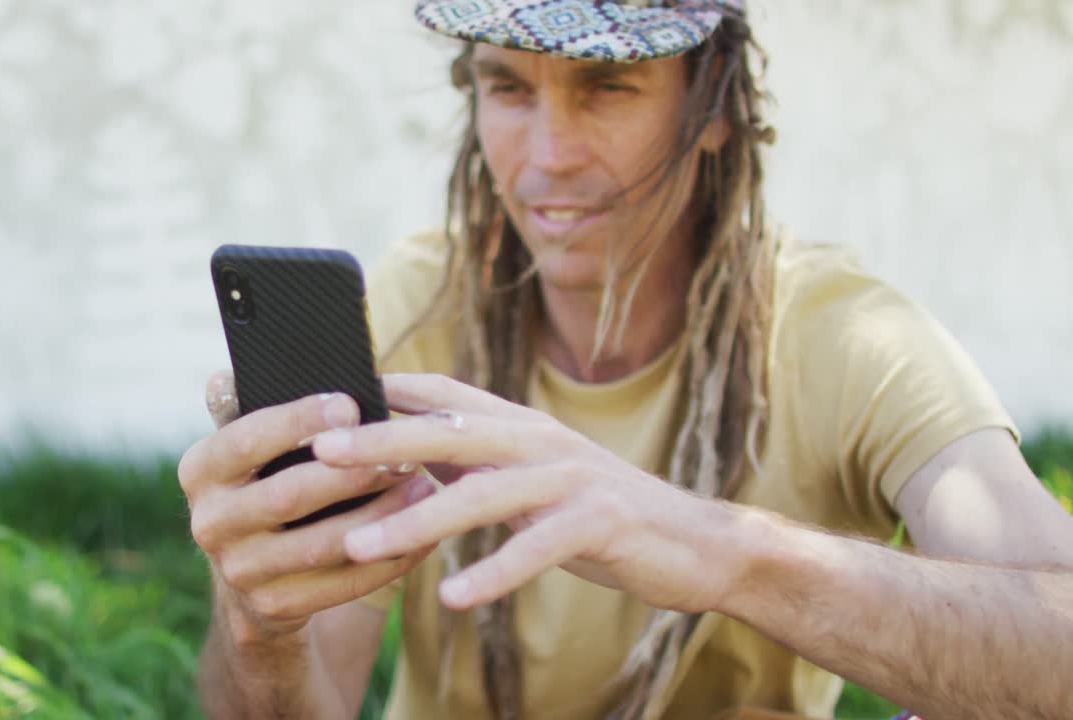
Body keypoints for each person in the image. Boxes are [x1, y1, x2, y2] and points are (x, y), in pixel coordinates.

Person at [178, 1, 1073, 718]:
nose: (549, 158)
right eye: (508, 87)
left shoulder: (844, 335)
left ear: (712, 105)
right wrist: (261, 628)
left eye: (606, 86)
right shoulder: (417, 305)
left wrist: (723, 549)